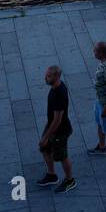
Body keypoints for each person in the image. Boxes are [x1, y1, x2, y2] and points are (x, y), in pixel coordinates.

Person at [37, 65, 76, 194]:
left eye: (48, 76)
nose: (45, 78)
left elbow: (58, 120)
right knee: (44, 148)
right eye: (46, 75)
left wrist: (46, 136)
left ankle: (70, 180)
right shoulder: (55, 87)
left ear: (57, 77)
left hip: (60, 130)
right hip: (52, 126)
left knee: (62, 156)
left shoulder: (59, 94)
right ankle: (52, 175)